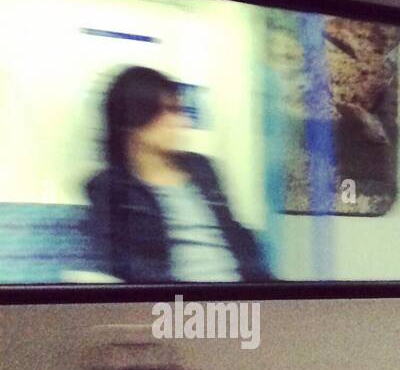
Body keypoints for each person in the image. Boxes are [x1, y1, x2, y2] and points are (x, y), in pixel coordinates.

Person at [86, 66, 268, 284]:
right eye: (169, 111)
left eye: (179, 111)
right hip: (177, 308)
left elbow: (237, 238)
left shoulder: (203, 169)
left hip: (243, 295)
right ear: (135, 116)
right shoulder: (110, 188)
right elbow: (131, 268)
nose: (183, 123)